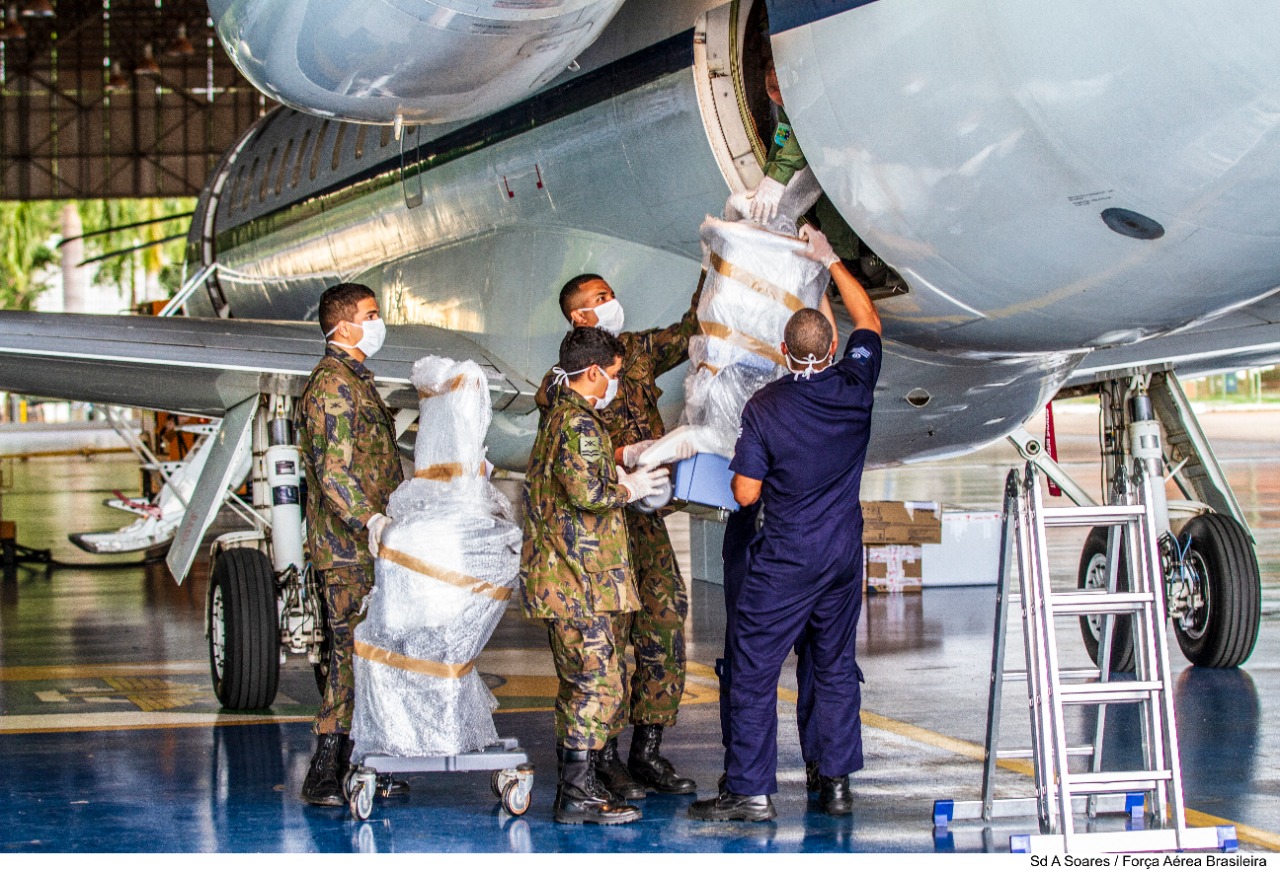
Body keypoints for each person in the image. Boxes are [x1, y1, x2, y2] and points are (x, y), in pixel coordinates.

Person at [689, 225, 883, 821]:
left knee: (752, 669)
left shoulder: (767, 406)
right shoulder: (856, 384)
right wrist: (825, 267)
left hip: (787, 557)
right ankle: (835, 784)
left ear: (783, 350)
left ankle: (750, 791)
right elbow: (868, 321)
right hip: (842, 555)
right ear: (830, 352)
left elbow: (746, 495)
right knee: (832, 665)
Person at [535, 272, 702, 800]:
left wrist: (712, 262)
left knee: (665, 616)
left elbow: (696, 327)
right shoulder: (560, 387)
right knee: (606, 640)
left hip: (642, 520)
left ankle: (647, 749)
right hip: (598, 528)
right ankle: (601, 759)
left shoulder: (637, 352)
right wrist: (625, 468)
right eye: (600, 300)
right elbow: (570, 461)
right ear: (579, 317)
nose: (613, 304)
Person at [520, 326, 671, 825]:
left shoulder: (562, 417)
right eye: (611, 375)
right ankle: (578, 794)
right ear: (592, 373)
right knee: (596, 685)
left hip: (568, 579)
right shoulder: (579, 424)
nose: (614, 383)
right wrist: (629, 488)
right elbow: (589, 492)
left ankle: (575, 788)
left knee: (579, 685)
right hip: (580, 583)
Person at [297, 282, 405, 807]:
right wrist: (371, 519)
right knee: (350, 655)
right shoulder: (333, 387)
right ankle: (324, 770)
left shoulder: (355, 381)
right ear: (342, 326)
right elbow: (334, 473)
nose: (377, 321)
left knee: (368, 654)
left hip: (365, 546)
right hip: (347, 550)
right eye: (370, 314)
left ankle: (359, 764)